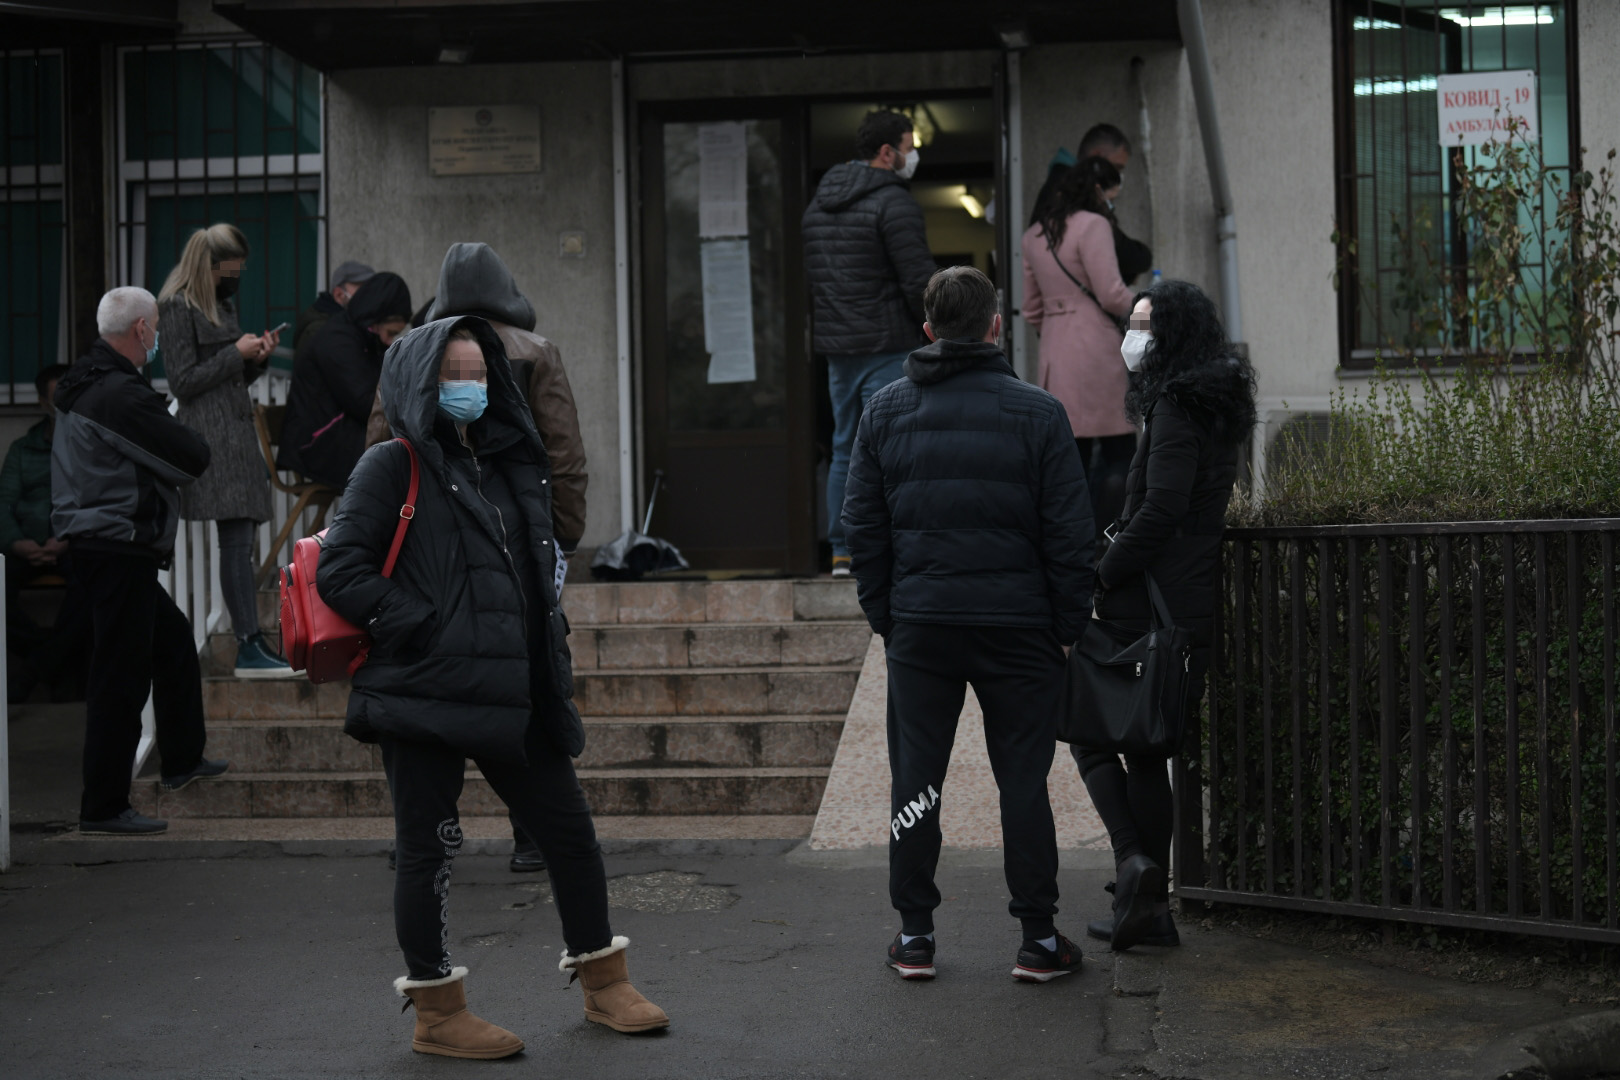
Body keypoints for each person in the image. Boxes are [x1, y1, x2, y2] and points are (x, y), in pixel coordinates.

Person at [316, 317, 667, 1057]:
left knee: (569, 835)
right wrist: (426, 625)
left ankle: (605, 982)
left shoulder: (514, 464)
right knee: (431, 849)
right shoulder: (391, 465)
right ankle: (438, 1013)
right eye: (454, 375)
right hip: (424, 691)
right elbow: (340, 571)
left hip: (517, 689)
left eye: (480, 374)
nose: (470, 388)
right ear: (420, 381)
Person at [841, 266, 1095, 983]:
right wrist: (1066, 623)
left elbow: (863, 527)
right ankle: (1039, 940)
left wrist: (888, 616)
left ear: (928, 330)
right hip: (1021, 630)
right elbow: (1070, 534)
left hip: (923, 624)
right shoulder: (1039, 413)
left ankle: (915, 935)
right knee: (1024, 778)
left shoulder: (884, 410)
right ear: (995, 325)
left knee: (916, 777)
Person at [1073, 278, 1256, 952]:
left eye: (1147, 324)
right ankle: (1146, 908)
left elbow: (1162, 508)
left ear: (1173, 335)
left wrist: (1104, 568)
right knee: (1149, 749)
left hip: (1150, 600)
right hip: (1185, 598)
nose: (1134, 335)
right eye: (1133, 320)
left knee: (1093, 733)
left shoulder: (1177, 406)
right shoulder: (1212, 401)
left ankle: (1133, 865)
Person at [420, 241, 591, 875]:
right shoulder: (536, 352)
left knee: (436, 686)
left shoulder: (417, 350)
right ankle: (530, 833)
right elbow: (563, 453)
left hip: (434, 551)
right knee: (525, 680)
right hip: (518, 542)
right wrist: (564, 537)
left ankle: (432, 832)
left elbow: (382, 446)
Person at [53, 286, 227, 835]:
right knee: (119, 678)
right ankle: (103, 807)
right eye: (157, 329)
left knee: (173, 643)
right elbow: (189, 455)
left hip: (106, 543)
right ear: (143, 331)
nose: (158, 338)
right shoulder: (115, 395)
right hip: (114, 545)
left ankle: (181, 759)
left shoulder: (92, 381)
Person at [803, 108, 938, 577]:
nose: (913, 154)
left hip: (840, 350)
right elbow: (918, 279)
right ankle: (894, 544)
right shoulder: (894, 202)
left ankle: (842, 549)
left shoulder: (818, 206)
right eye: (909, 144)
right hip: (888, 342)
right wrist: (940, 331)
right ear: (887, 152)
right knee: (897, 445)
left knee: (845, 446)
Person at [157, 223, 290, 678]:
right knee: (235, 543)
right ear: (209, 266)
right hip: (212, 440)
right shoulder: (176, 307)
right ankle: (248, 644)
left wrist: (257, 360)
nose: (237, 277)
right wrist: (235, 353)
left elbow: (226, 378)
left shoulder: (222, 303)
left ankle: (252, 641)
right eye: (232, 269)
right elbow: (183, 382)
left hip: (234, 435)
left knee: (241, 541)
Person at [1024, 155, 1139, 535]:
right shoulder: (1094, 226)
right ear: (1095, 193)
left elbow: (1031, 309)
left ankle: (1070, 538)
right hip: (1098, 350)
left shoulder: (1034, 235)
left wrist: (1059, 330)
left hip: (1056, 354)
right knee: (1119, 451)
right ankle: (1111, 535)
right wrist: (1145, 307)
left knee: (1068, 457)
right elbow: (1110, 294)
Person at [2, 363, 91, 703]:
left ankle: (32, 673)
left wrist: (66, 540)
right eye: (56, 399)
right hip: (24, 545)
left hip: (69, 546)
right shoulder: (22, 452)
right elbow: (3, 503)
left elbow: (94, 500)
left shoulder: (86, 448)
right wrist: (16, 542)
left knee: (90, 587)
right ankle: (52, 662)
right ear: (42, 402)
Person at [278, 271, 412, 491]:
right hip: (317, 444)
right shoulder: (338, 341)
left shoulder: (356, 336)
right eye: (390, 333)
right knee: (399, 460)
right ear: (374, 320)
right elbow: (366, 403)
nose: (390, 341)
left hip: (330, 436)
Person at [1031, 123, 1153, 286]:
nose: (1118, 176)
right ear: (1096, 158)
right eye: (1116, 167)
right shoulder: (1077, 194)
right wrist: (1137, 264)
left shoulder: (1058, 187)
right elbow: (1118, 252)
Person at [294, 260, 375, 355]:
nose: (368, 297)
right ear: (339, 294)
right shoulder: (319, 330)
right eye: (361, 292)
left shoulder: (353, 321)